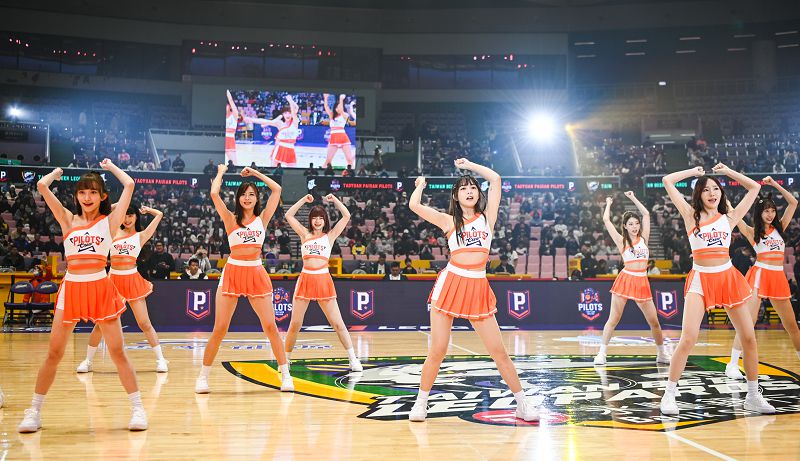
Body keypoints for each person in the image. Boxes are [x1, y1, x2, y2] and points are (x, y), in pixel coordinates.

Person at [18, 161, 148, 433]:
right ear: (76, 196)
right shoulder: (67, 219)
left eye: (93, 192)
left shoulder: (110, 221)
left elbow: (129, 184)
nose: (87, 197)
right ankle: (34, 411)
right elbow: (41, 185)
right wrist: (56, 174)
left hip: (100, 286)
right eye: (82, 192)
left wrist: (111, 167)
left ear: (102, 196)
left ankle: (138, 408)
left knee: (117, 351)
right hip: (72, 287)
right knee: (54, 352)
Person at [407, 158, 539, 422]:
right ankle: (420, 403)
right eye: (463, 188)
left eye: (473, 187)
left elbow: (496, 179)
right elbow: (414, 205)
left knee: (498, 351)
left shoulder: (487, 218)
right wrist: (420, 185)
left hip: (478, 285)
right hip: (451, 283)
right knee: (438, 350)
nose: (469, 191)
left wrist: (469, 165)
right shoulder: (448, 221)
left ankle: (522, 404)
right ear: (456, 197)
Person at [659, 164, 774, 415]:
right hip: (700, 279)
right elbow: (668, 180)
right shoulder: (690, 215)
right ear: (698, 194)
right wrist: (693, 173)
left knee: (749, 338)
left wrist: (728, 172)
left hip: (727, 277)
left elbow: (754, 188)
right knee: (688, 338)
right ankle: (668, 395)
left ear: (721, 193)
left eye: (716, 189)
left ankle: (753, 396)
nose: (712, 193)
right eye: (706, 190)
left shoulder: (729, 218)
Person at [195, 165, 293, 394]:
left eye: (251, 194)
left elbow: (277, 190)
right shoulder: (230, 218)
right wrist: (221, 171)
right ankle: (203, 377)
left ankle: (286, 375)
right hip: (233, 272)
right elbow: (214, 193)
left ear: (256, 198)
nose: (247, 198)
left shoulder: (263, 218)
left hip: (255, 272)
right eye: (243, 194)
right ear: (238, 198)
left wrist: (256, 174)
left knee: (270, 326)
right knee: (220, 328)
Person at [76, 205, 168, 374]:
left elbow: (160, 214)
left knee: (144, 323)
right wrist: (119, 205)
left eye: (130, 215)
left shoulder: (141, 236)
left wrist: (149, 210)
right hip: (112, 281)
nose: (127, 219)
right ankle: (88, 361)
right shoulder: (113, 232)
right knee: (100, 325)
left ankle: (161, 360)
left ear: (136, 217)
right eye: (124, 215)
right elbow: (99, 213)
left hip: (132, 280)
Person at [726, 177, 800, 379]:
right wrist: (727, 203)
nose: (770, 214)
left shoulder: (780, 228)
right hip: (759, 275)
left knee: (791, 325)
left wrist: (775, 184)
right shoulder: (752, 232)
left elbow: (793, 202)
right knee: (748, 322)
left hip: (777, 277)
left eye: (772, 210)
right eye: (766, 211)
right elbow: (736, 217)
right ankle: (732, 364)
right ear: (759, 213)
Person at [283, 193, 362, 371]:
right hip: (305, 279)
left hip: (323, 279)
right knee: (295, 324)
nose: (317, 221)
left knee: (338, 323)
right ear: (310, 220)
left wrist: (335, 200)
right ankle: (285, 360)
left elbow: (346, 215)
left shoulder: (330, 236)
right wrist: (303, 200)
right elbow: (289, 215)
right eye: (314, 218)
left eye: (320, 218)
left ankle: (353, 359)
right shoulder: (304, 234)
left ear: (325, 220)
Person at [595, 192, 670, 366]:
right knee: (613, 319)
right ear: (625, 226)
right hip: (626, 279)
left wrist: (633, 198)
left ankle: (661, 354)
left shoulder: (644, 238)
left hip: (642, 281)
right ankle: (601, 354)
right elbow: (606, 220)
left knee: (654, 322)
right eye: (631, 224)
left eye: (636, 223)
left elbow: (646, 214)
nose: (635, 226)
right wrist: (608, 203)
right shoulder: (621, 240)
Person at [245, 95, 300, 167]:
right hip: (279, 148)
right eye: (285, 113)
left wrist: (291, 101)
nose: (287, 115)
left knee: (292, 170)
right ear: (283, 114)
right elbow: (264, 121)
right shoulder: (280, 124)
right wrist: (251, 120)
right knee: (273, 168)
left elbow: (295, 110)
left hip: (290, 149)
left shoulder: (295, 122)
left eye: (289, 113)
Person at [322, 94, 356, 168]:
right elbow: (326, 107)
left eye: (339, 107)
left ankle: (351, 172)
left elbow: (341, 110)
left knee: (349, 160)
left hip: (343, 138)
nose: (337, 109)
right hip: (333, 138)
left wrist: (341, 99)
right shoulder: (331, 115)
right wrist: (325, 98)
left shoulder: (345, 115)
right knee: (328, 161)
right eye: (336, 107)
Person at [224, 90, 240, 164]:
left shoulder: (234, 115)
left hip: (229, 140)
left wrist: (227, 91)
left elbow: (230, 100)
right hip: (222, 139)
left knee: (234, 162)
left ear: (230, 107)